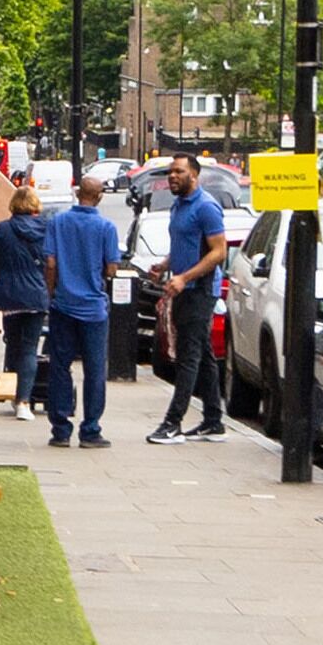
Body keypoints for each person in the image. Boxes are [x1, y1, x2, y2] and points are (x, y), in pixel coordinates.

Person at [145, 154, 235, 445]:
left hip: (199, 290)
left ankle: (173, 423)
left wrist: (185, 278)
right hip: (183, 288)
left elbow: (218, 252)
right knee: (204, 354)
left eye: (179, 172)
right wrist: (165, 264)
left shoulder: (206, 207)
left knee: (188, 356)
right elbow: (184, 245)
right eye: (171, 172)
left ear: (194, 175)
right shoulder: (178, 205)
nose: (172, 176)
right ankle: (213, 421)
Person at [37, 179, 119, 447]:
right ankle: (90, 429)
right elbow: (111, 269)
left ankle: (60, 430)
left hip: (63, 305)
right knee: (95, 370)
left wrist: (51, 293)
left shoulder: (58, 223)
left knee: (60, 367)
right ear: (99, 196)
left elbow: (50, 263)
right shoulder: (107, 227)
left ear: (77, 193)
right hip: (93, 309)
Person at [0, 183, 53, 422]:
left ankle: (10, 389)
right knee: (29, 347)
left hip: (9, 296)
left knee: (12, 343)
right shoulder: (46, 229)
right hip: (35, 295)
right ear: (36, 206)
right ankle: (23, 401)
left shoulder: (3, 229)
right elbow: (50, 262)